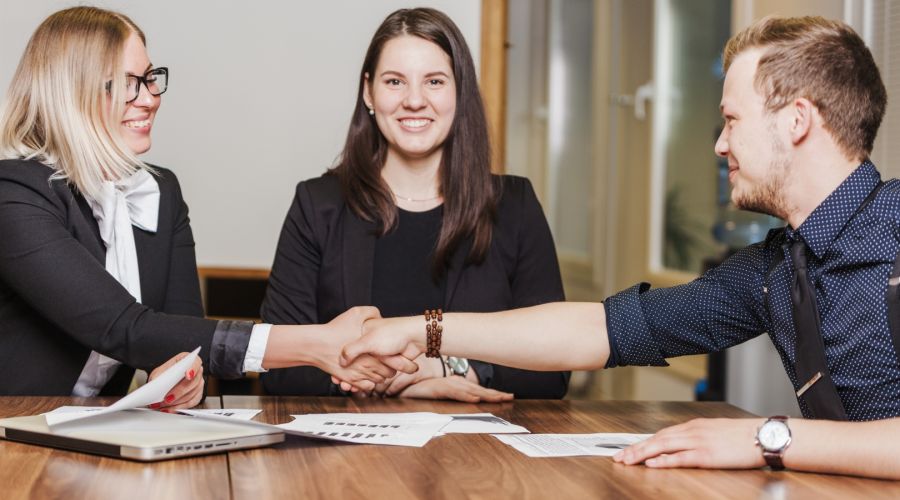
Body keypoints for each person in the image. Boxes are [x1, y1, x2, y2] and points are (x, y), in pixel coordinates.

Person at [338, 16, 900, 480]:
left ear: (797, 120)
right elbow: (600, 330)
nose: (719, 143)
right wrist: (419, 329)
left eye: (731, 120)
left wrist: (765, 437)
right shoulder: (774, 269)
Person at [0, 7, 413, 408]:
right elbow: (123, 327)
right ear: (69, 92)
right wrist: (315, 344)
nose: (149, 99)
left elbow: (186, 340)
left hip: (88, 437)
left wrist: (182, 377)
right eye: (127, 83)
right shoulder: (14, 191)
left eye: (149, 79)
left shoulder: (161, 191)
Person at [260, 8, 568, 402]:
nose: (415, 100)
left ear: (461, 92)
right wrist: (408, 379)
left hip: (478, 454)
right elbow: (279, 368)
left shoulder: (514, 206)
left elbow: (553, 368)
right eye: (395, 82)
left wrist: (450, 367)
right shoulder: (317, 204)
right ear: (369, 92)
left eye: (434, 81)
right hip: (346, 456)